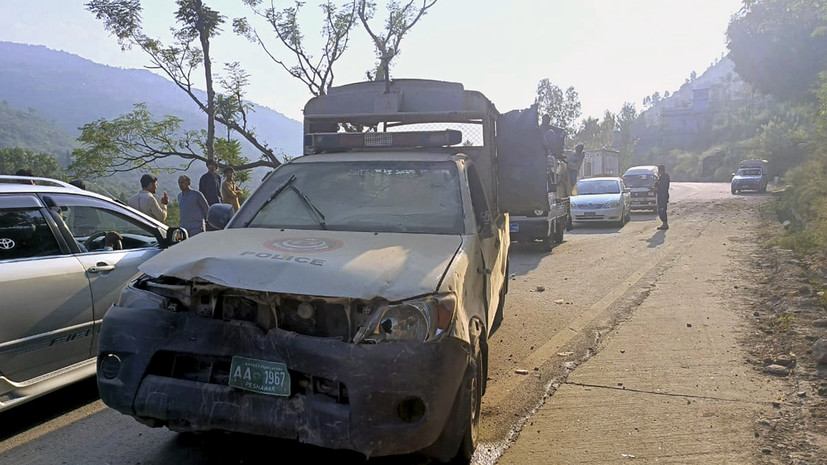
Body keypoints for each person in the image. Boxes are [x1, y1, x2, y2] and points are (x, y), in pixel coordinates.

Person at [655, 164, 670, 230]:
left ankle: (665, 224)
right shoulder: (661, 177)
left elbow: (662, 186)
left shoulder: (665, 177)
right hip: (661, 195)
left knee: (662, 210)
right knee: (660, 210)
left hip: (663, 196)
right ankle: (664, 223)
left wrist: (657, 184)